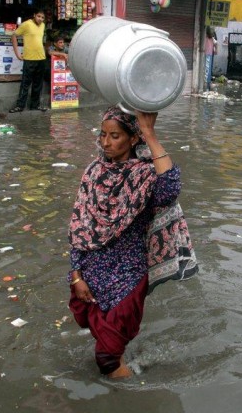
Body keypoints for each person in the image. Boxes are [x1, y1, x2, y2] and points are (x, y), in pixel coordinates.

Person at [67, 106, 198, 378]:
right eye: (102, 135)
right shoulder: (94, 172)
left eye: (114, 136)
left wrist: (149, 132)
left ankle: (131, 396)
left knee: (106, 359)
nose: (106, 142)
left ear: (132, 139)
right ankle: (125, 367)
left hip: (127, 275)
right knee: (106, 341)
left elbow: (171, 187)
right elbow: (79, 226)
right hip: (92, 274)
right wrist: (76, 276)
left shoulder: (145, 175)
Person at [9, 9, 48, 113]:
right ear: (34, 15)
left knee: (38, 84)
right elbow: (14, 35)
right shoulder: (26, 24)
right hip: (29, 59)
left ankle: (35, 105)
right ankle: (20, 106)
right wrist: (17, 53)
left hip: (41, 58)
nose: (40, 19)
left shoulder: (43, 25)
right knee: (25, 84)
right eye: (39, 16)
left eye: (42, 17)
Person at [204, 26, 217, 90]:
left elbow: (216, 44)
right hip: (207, 54)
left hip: (208, 54)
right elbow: (216, 44)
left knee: (207, 70)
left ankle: (206, 86)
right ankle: (207, 86)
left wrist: (216, 50)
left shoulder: (210, 38)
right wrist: (216, 50)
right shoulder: (208, 38)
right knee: (207, 70)